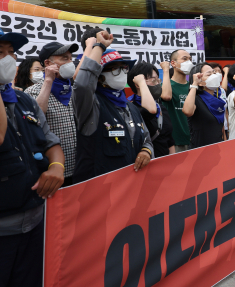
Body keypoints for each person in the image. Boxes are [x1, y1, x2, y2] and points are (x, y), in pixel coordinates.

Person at [0, 25, 65, 287]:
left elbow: (50, 140)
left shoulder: (21, 98)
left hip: (34, 226)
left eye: (11, 52)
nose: (8, 59)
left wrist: (57, 166)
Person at [72, 32, 153, 183]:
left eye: (124, 68)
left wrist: (146, 151)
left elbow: (146, 138)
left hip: (129, 188)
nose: (122, 73)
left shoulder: (131, 107)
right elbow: (83, 84)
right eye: (115, 69)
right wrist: (100, 46)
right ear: (100, 76)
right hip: (98, 190)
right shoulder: (91, 105)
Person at [25, 41, 79, 185]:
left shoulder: (74, 89)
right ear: (48, 63)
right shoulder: (33, 91)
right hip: (53, 170)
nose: (70, 62)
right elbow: (37, 116)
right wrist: (48, 80)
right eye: (64, 58)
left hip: (79, 167)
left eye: (70, 58)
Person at [127, 62, 175, 157]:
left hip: (165, 163)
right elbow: (150, 111)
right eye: (153, 80)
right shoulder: (131, 108)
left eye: (158, 80)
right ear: (137, 84)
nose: (157, 84)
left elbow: (169, 140)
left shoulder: (161, 107)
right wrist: (141, 82)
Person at [183, 63, 226, 148]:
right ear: (200, 82)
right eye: (209, 74)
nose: (214, 75)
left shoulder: (218, 100)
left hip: (217, 150)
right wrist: (195, 83)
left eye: (214, 73)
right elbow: (187, 111)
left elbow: (220, 127)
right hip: (200, 151)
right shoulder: (196, 99)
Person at [163, 49, 193, 152]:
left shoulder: (192, 87)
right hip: (174, 143)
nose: (188, 62)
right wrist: (166, 70)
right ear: (173, 63)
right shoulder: (166, 87)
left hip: (192, 141)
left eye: (190, 59)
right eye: (184, 59)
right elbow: (166, 96)